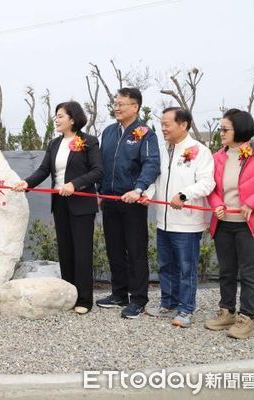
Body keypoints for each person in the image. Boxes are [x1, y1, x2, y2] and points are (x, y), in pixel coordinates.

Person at [14, 101, 102, 314]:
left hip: (81, 204)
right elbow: (44, 170)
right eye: (56, 116)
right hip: (60, 203)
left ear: (73, 118)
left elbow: (98, 171)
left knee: (82, 252)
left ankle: (84, 300)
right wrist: (27, 183)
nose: (56, 119)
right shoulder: (54, 144)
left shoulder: (88, 141)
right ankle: (68, 294)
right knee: (65, 250)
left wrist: (75, 184)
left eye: (60, 116)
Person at [142, 108, 215, 327]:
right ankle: (168, 302)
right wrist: (147, 194)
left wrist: (184, 195)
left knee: (186, 268)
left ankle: (186, 309)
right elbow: (156, 179)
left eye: (167, 124)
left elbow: (207, 183)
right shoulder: (164, 150)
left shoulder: (200, 151)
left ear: (183, 125)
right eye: (162, 124)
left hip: (187, 222)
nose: (163, 128)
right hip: (164, 220)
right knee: (165, 265)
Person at [95, 87, 160, 319]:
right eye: (115, 103)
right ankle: (119, 293)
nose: (117, 107)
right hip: (110, 201)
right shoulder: (109, 132)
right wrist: (100, 192)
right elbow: (101, 164)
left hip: (132, 201)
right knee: (114, 249)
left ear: (135, 106)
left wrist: (139, 188)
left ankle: (139, 299)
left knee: (135, 251)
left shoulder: (145, 133)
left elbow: (152, 163)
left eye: (122, 103)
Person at [205, 109, 254, 339]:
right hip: (224, 223)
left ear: (239, 129)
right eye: (220, 129)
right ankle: (227, 311)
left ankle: (246, 317)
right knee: (226, 271)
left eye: (224, 129)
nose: (220, 133)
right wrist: (217, 204)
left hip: (251, 225)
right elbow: (211, 188)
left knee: (249, 273)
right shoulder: (217, 157)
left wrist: (252, 201)